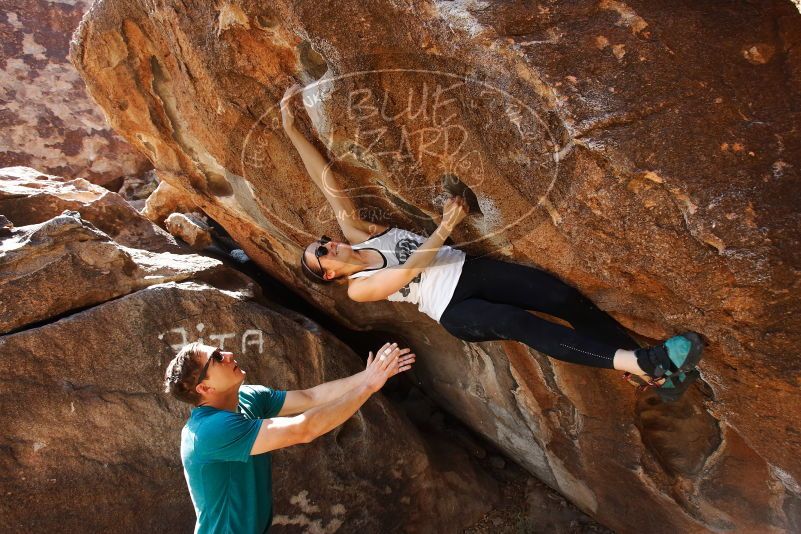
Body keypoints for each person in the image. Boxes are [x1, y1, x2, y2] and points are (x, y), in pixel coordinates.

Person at [281, 83, 705, 401]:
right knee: (520, 324)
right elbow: (411, 270)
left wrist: (291, 127)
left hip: (470, 270)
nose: (327, 244)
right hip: (455, 308)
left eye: (321, 241)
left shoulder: (359, 233)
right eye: (321, 254)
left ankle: (655, 373)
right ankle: (645, 363)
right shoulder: (358, 287)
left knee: (561, 297)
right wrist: (446, 225)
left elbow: (326, 181)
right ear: (331, 274)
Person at [163, 340, 415, 533]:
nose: (228, 354)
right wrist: (368, 386)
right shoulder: (210, 431)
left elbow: (311, 398)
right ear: (205, 388)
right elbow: (303, 429)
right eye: (217, 358)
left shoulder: (247, 397)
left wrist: (369, 374)